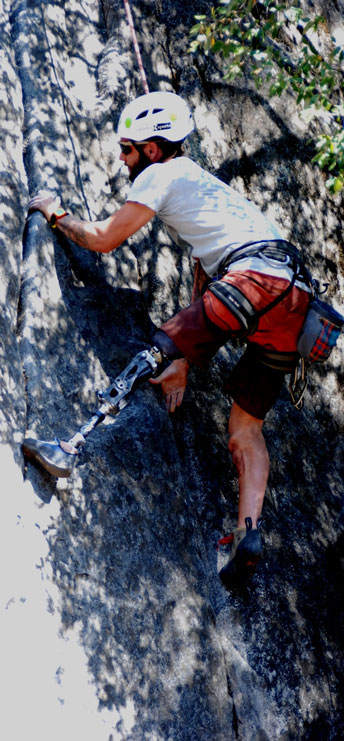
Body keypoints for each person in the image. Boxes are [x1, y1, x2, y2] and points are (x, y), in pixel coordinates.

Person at [28, 91, 311, 588]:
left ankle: (71, 447)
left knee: (153, 348)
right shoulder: (210, 193)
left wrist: (55, 213)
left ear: (153, 150)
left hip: (253, 280)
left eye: (128, 147)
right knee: (246, 429)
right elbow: (209, 278)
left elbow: (101, 238)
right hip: (295, 302)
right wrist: (183, 361)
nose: (122, 157)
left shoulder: (162, 175)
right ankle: (249, 532)